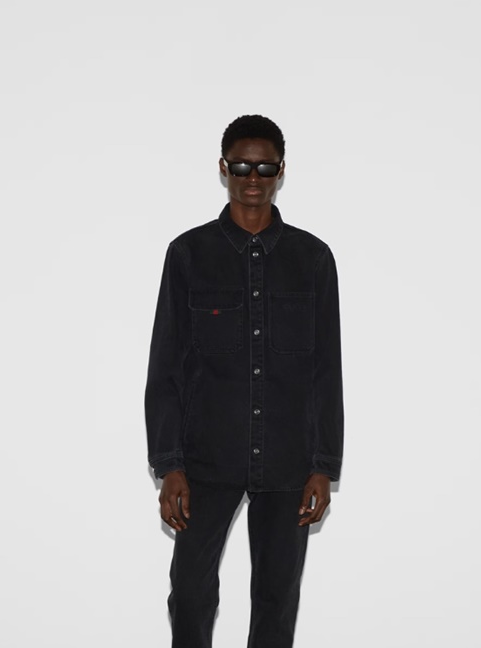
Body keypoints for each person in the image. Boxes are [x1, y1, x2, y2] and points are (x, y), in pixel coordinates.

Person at [144, 114, 344, 648]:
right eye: (241, 166)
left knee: (277, 599)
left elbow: (327, 369)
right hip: (206, 458)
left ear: (281, 171)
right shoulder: (188, 254)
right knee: (190, 592)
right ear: (223, 168)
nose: (252, 178)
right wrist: (169, 465)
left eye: (264, 167)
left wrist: (324, 466)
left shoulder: (313, 259)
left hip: (288, 460)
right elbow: (165, 366)